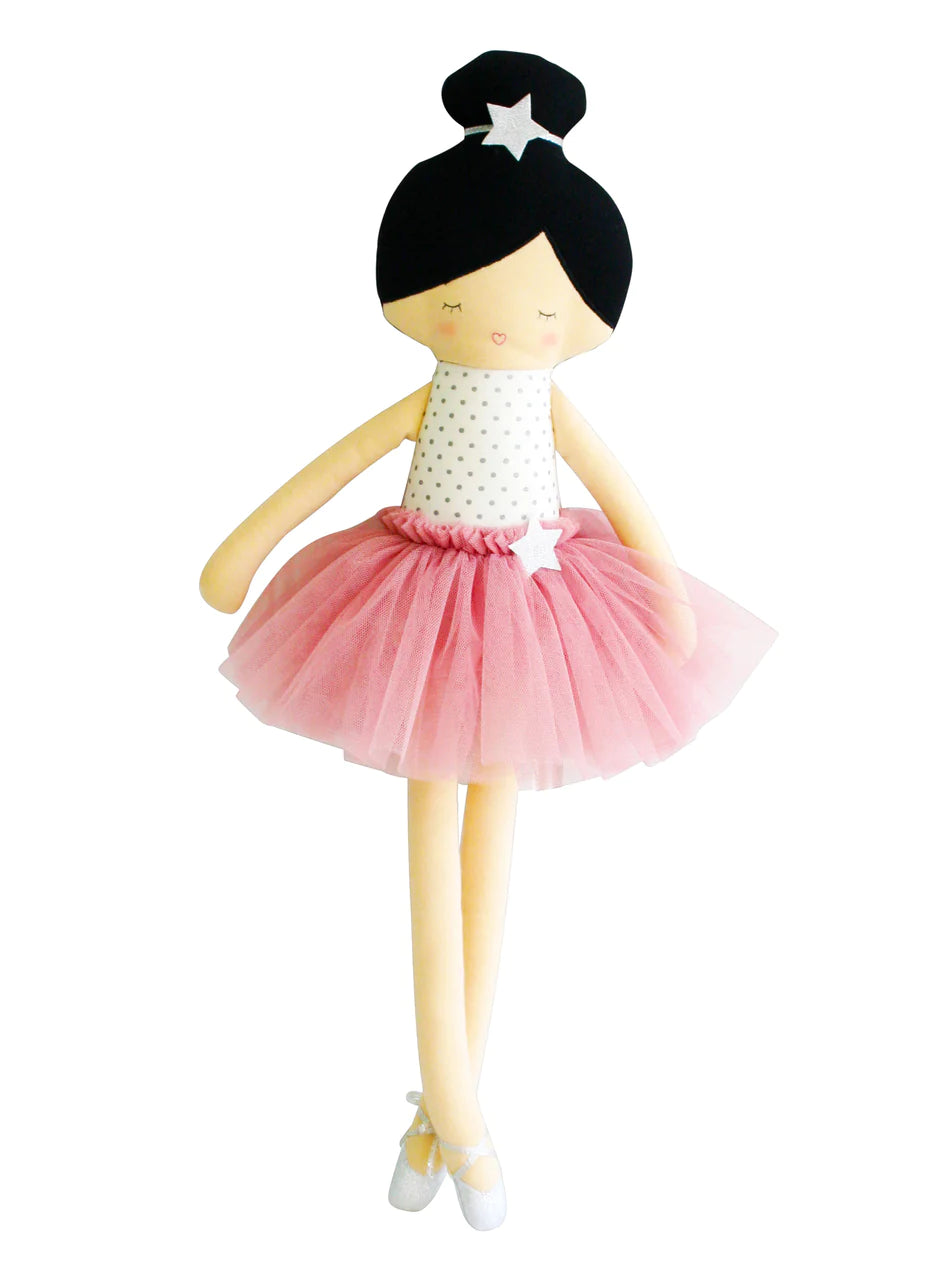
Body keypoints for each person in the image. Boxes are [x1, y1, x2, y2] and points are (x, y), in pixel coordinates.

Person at [199, 50, 776, 1230]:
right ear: (422, 296)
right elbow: (331, 469)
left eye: (544, 306)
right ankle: (458, 1117)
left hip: (535, 602)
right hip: (412, 597)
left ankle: (447, 1115)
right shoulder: (432, 395)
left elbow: (622, 497)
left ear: (583, 315)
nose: (506, 320)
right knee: (435, 836)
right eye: (459, 297)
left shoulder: (551, 401)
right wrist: (242, 551)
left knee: (488, 838)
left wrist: (667, 596)